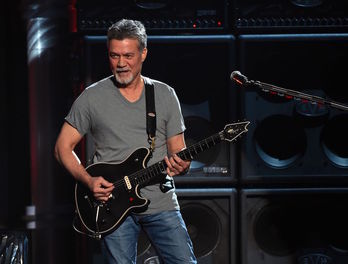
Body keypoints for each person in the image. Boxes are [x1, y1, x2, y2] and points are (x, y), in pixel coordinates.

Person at [54, 19, 197, 263]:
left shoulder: (164, 94)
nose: (121, 64)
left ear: (144, 53)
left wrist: (182, 165)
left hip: (160, 202)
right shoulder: (91, 98)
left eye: (128, 55)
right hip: (112, 204)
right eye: (114, 55)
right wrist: (88, 180)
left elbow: (178, 153)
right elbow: (61, 149)